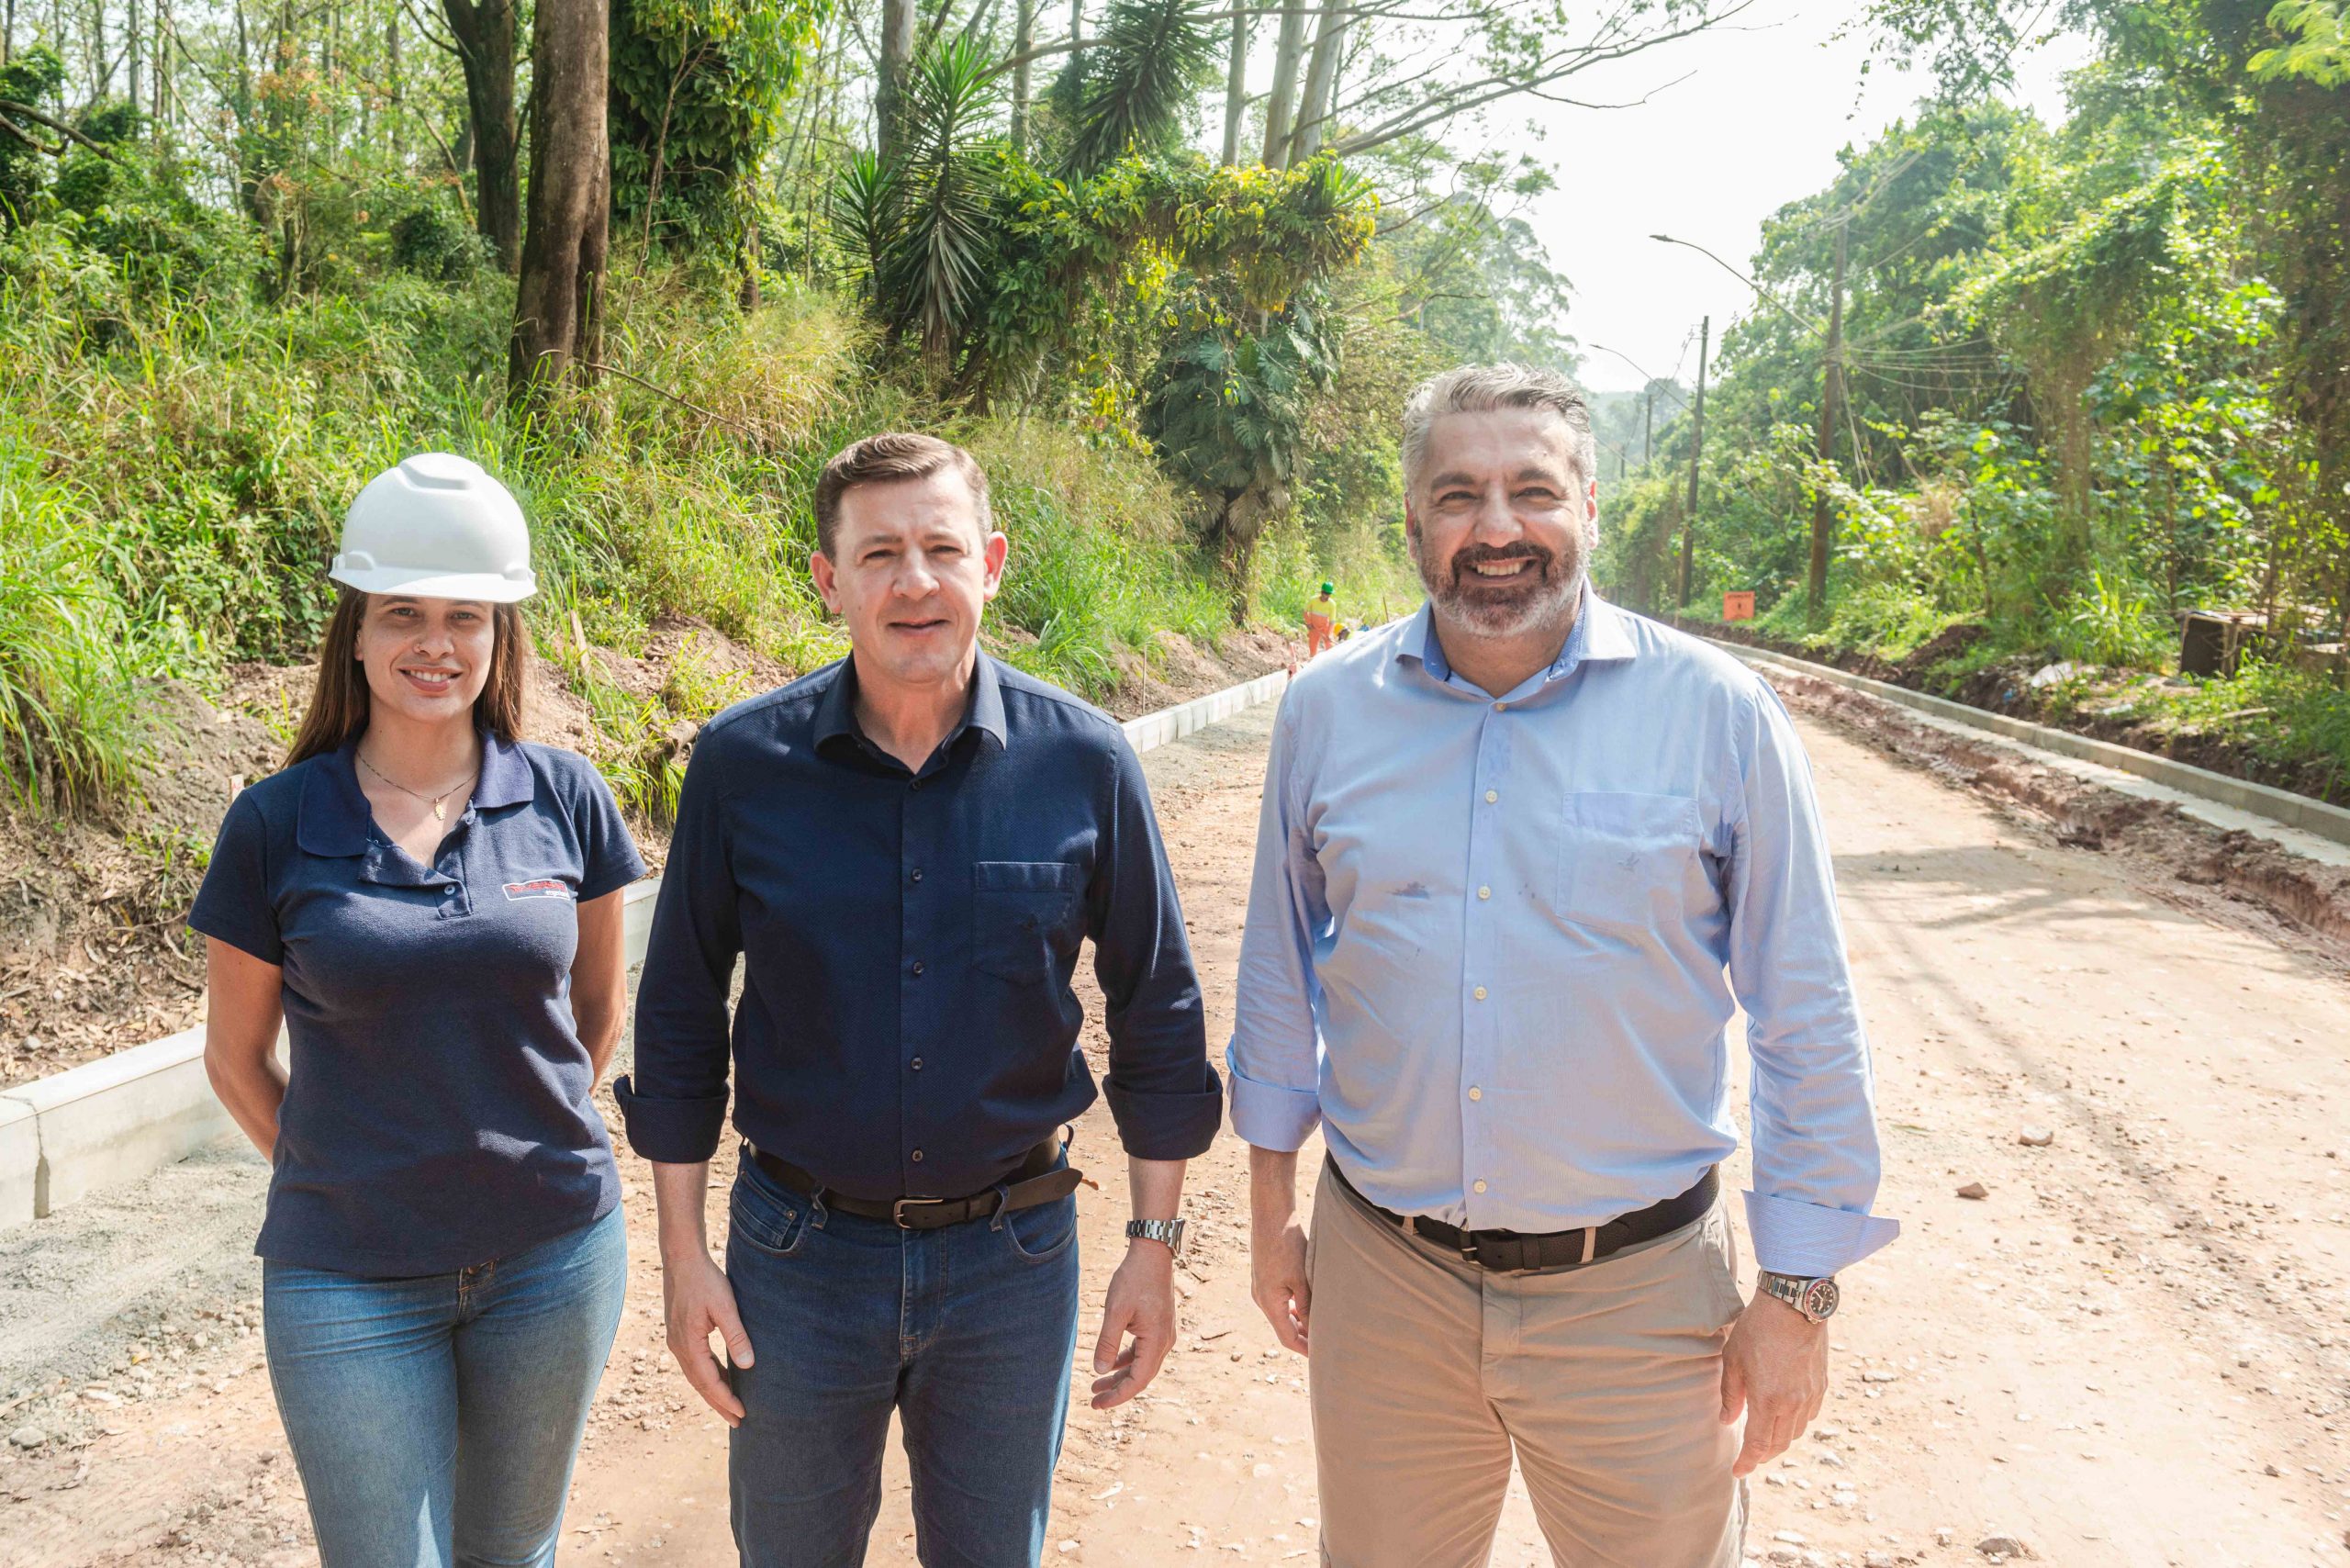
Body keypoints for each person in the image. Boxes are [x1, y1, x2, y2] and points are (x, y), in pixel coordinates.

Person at [1228, 366, 1898, 1568]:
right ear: (1414, 520)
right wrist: (1273, 1208)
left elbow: (1806, 1013)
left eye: (1532, 490)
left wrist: (1797, 1298)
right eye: (1458, 494)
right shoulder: (1325, 712)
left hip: (1642, 1305)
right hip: (1389, 1287)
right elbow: (1281, 973)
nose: (1496, 529)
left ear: (1590, 505)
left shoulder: (1720, 716)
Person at [616, 431, 1222, 1568]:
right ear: (826, 576)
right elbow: (682, 1013)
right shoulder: (745, 765)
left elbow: (1158, 1009)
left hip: (1014, 1260)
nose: (914, 581)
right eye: (880, 552)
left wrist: (1152, 1243)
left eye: (942, 548)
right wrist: (684, 1257)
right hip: (796, 1261)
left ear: (990, 562)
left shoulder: (1082, 762)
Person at [193, 454, 645, 1568]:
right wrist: (353, 1169)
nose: (434, 644)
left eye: (465, 616)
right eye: (403, 613)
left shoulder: (566, 797)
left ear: (501, 638)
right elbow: (237, 1060)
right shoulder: (273, 822)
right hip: (347, 1275)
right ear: (355, 630)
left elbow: (595, 1017)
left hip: (553, 1256)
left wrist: (513, 1135)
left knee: (512, 1553)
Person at [1304, 581, 1337, 656]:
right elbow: (1305, 612)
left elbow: (1332, 621)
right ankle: (1313, 662)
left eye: (1328, 594)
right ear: (1321, 592)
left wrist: (1329, 633)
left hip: (1325, 628)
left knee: (1330, 646)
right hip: (1314, 627)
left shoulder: (1332, 604)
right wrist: (1308, 623)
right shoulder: (1313, 600)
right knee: (1313, 648)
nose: (1326, 596)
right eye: (1325, 593)